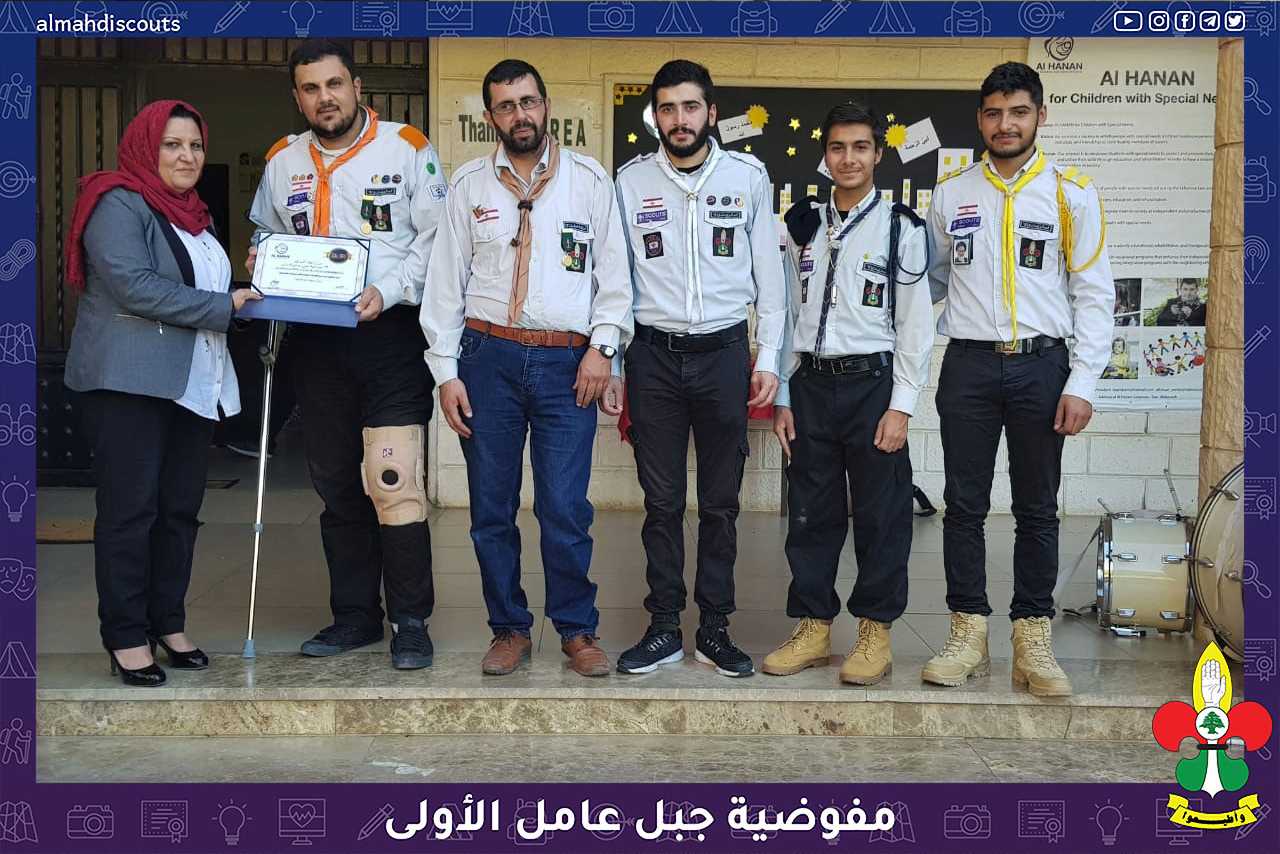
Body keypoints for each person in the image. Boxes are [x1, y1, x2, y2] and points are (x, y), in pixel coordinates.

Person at [420, 59, 632, 677]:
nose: (521, 114)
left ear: (547, 106)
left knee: (565, 507)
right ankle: (509, 628)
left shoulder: (589, 181)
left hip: (570, 363)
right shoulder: (468, 186)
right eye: (507, 105)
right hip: (488, 359)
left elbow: (615, 277)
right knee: (491, 507)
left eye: (529, 101)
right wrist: (446, 372)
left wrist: (603, 349)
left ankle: (576, 629)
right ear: (491, 117)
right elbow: (444, 285)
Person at [247, 40, 448, 670]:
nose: (324, 98)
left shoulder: (407, 148)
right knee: (336, 485)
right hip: (315, 342)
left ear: (357, 87)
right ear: (298, 97)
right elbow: (265, 231)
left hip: (390, 336)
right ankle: (356, 616)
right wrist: (263, 258)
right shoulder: (282, 159)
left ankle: (411, 621)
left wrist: (390, 289)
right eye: (311, 89)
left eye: (334, 84)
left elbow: (436, 242)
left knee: (394, 480)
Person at [925, 62, 1113, 697]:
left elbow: (1094, 293)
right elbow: (933, 281)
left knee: (1037, 507)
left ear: (1040, 115)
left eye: (1018, 112)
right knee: (964, 505)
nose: (1005, 124)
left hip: (1042, 366)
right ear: (981, 119)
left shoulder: (1070, 192)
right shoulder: (951, 193)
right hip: (969, 364)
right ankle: (967, 633)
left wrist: (1082, 381)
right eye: (994, 113)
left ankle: (1033, 638)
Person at [63, 100, 262, 686]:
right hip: (128, 383)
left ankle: (168, 623)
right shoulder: (116, 202)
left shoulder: (195, 215)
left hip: (191, 384)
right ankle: (127, 636)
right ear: (146, 147)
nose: (186, 155)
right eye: (172, 144)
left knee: (178, 512)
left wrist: (258, 281)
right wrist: (225, 305)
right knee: (130, 513)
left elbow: (203, 288)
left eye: (195, 145)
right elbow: (134, 286)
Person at [611, 60, 786, 678]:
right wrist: (613, 361)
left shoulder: (748, 176)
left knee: (720, 504)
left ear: (711, 113)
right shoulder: (630, 181)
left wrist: (769, 358)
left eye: (690, 107)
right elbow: (616, 281)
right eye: (667, 109)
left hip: (724, 356)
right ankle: (663, 627)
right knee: (660, 504)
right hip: (653, 357)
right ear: (655, 117)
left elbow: (771, 279)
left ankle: (714, 628)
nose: (679, 120)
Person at [761, 102, 932, 684]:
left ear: (878, 154)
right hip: (810, 383)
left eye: (860, 147)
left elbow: (915, 324)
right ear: (825, 155)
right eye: (838, 148)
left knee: (882, 516)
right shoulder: (802, 224)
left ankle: (874, 632)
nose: (849, 158)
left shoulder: (902, 228)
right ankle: (812, 627)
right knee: (811, 514)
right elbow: (786, 311)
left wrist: (901, 405)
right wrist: (784, 394)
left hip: (872, 386)